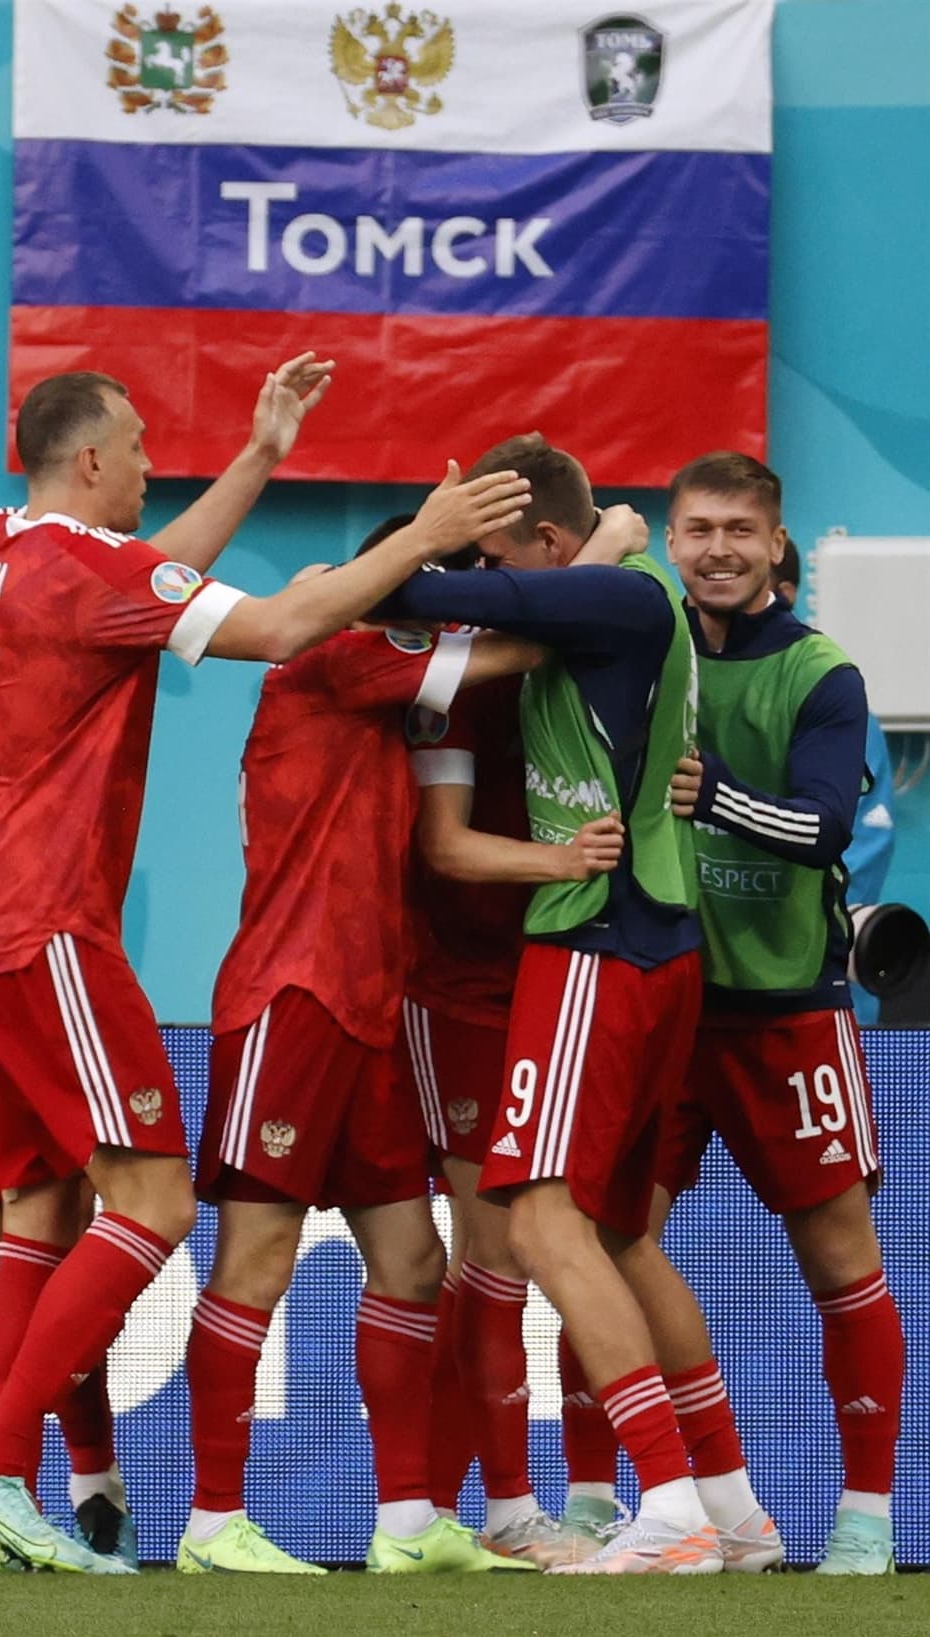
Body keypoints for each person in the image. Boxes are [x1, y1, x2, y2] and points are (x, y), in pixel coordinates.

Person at [0, 367, 533, 1573]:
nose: (155, 469)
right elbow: (272, 624)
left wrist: (257, 456)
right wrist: (428, 532)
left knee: (63, 1215)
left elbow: (148, 576)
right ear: (90, 461)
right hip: (45, 927)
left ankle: (400, 1517)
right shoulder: (151, 592)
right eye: (142, 448)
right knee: (151, 1205)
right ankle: (10, 1468)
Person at [379, 432, 773, 1576]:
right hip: (655, 942)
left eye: (494, 554)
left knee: (541, 1223)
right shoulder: (624, 595)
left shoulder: (605, 592)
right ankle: (734, 1507)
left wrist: (440, 539)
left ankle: (665, 1506)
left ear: (546, 544)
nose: (482, 580)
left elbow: (397, 587)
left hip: (593, 942)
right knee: (615, 1234)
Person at [179, 520, 550, 1577]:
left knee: (412, 1260)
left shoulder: (389, 698)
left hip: (369, 1015)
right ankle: (211, 1523)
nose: (467, 608)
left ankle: (406, 1523)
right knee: (256, 1261)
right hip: (287, 1003)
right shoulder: (333, 654)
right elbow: (512, 650)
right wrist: (607, 565)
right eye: (447, 585)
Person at [661, 453, 904, 1575]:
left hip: (786, 1013)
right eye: (696, 528)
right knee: (602, 1244)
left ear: (773, 545)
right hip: (658, 1003)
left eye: (736, 530)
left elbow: (818, 830)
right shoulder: (643, 643)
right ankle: (647, 1505)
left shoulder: (822, 673)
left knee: (838, 1262)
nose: (715, 548)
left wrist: (707, 792)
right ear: (670, 537)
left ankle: (863, 1517)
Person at [398, 511, 644, 1566]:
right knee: (489, 1247)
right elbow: (444, 850)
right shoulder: (443, 682)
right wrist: (566, 863)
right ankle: (499, 1509)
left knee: (561, 1237)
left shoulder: (580, 664)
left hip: (559, 979)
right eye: (478, 570)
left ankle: (511, 1504)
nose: (494, 585)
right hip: (451, 991)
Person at [773, 539, 897, 1024]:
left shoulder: (837, 698)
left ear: (784, 593)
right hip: (719, 986)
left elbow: (863, 845)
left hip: (826, 992)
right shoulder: (690, 689)